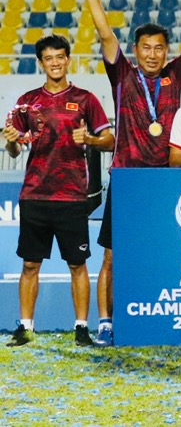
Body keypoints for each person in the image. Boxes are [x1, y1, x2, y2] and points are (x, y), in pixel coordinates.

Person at [66, 0, 181, 347]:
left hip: (166, 178)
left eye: (159, 48)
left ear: (166, 50)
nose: (153, 54)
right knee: (111, 257)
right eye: (146, 48)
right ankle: (106, 322)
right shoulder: (122, 74)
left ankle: (158, 320)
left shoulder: (176, 74)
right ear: (135, 50)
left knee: (165, 250)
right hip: (127, 178)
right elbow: (106, 36)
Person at [3, 35, 114, 347]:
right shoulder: (27, 101)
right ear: (41, 63)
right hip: (35, 194)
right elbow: (13, 150)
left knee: (77, 265)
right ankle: (25, 327)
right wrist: (11, 139)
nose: (55, 62)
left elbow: (110, 140)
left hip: (71, 196)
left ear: (68, 60)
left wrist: (90, 139)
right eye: (48, 58)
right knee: (29, 265)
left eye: (60, 57)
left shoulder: (86, 99)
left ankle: (81, 328)